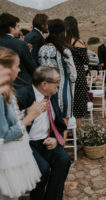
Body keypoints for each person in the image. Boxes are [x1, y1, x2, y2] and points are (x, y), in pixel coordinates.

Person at [16, 66, 71, 200]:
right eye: (57, 81)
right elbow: (13, 129)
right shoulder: (22, 96)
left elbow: (58, 121)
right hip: (26, 144)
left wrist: (55, 139)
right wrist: (28, 115)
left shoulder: (52, 94)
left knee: (64, 160)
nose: (59, 85)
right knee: (42, 169)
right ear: (44, 84)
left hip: (46, 141)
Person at [0, 47, 43, 200]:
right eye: (17, 66)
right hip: (5, 158)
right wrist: (29, 117)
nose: (19, 70)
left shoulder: (6, 90)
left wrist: (25, 114)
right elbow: (3, 134)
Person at [39, 19, 77, 126]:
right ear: (62, 33)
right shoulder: (64, 51)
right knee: (62, 126)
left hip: (45, 93)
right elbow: (73, 76)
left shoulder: (42, 49)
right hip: (62, 92)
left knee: (48, 126)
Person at [64, 16, 89, 129]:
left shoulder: (63, 43)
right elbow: (86, 61)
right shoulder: (79, 43)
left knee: (69, 103)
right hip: (78, 75)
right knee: (79, 104)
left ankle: (67, 129)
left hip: (66, 75)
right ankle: (78, 132)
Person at [0, 13, 37, 89]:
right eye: (17, 27)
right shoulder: (20, 44)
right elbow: (31, 66)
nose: (18, 29)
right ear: (11, 28)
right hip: (21, 86)